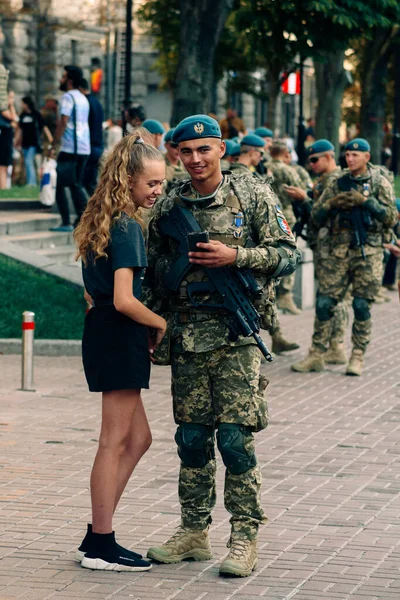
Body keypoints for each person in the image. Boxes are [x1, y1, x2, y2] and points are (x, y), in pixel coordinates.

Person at [144, 114, 300, 577]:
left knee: (234, 440)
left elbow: (288, 254)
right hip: (188, 336)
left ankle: (244, 537)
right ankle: (193, 532)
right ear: (176, 153)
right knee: (192, 440)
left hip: (236, 335)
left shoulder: (249, 192)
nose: (195, 159)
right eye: (186, 152)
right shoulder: (169, 202)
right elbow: (152, 267)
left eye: (204, 150)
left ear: (221, 150)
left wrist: (237, 256)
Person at [73, 129, 167, 572]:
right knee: (113, 442)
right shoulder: (127, 226)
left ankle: (97, 531)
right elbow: (127, 299)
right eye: (152, 183)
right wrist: (161, 322)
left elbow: (92, 294)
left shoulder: (102, 218)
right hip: (119, 329)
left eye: (162, 183)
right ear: (127, 180)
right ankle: (101, 543)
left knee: (139, 439)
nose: (158, 190)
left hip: (105, 329)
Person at [292, 138, 397, 377]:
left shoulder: (379, 182)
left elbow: (391, 217)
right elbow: (316, 217)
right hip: (338, 252)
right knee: (324, 303)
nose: (350, 159)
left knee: (361, 304)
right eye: (347, 155)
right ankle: (317, 353)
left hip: (367, 252)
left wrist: (366, 203)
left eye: (355, 155)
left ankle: (357, 355)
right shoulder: (338, 182)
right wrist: (332, 203)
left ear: (367, 157)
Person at [231, 134, 300, 354]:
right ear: (253, 152)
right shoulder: (249, 179)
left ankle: (274, 337)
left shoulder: (235, 174)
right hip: (249, 247)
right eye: (260, 154)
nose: (262, 158)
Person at [288, 140, 350, 369]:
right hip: (326, 245)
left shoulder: (335, 179)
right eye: (309, 160)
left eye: (315, 159)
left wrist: (304, 199)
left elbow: (320, 213)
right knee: (334, 298)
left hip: (333, 248)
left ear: (329, 157)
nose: (311, 164)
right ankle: (336, 347)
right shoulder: (327, 180)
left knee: (328, 299)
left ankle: (324, 351)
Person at [50, 65, 90, 231]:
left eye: (63, 76)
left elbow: (64, 121)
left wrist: (54, 142)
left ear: (70, 80)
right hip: (83, 148)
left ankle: (67, 221)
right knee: (76, 184)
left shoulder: (67, 97)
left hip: (69, 148)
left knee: (59, 184)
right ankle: (82, 220)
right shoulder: (83, 98)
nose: (61, 80)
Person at [268, 140, 303, 315]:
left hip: (267, 217)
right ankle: (286, 296)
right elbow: (300, 190)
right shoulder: (287, 170)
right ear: (285, 153)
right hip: (286, 216)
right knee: (289, 254)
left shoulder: (264, 166)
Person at [16, 96, 53, 186]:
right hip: (25, 143)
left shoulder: (36, 115)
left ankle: (32, 182)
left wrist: (51, 139)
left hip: (34, 143)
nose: (21, 105)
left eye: (22, 103)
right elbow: (20, 129)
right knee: (27, 162)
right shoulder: (22, 115)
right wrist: (16, 141)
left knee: (30, 162)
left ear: (26, 104)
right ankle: (31, 181)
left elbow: (44, 127)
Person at [79, 78, 104, 197]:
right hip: (98, 145)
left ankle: (97, 210)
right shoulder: (97, 102)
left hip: (89, 146)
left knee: (83, 182)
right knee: (91, 182)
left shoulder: (85, 103)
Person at [0, 90, 18, 189]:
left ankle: (4, 186)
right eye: (10, 97)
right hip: (3, 138)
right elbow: (13, 117)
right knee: (2, 165)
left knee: (6, 164)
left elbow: (15, 121)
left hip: (7, 138)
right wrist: (10, 105)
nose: (12, 100)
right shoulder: (2, 108)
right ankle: (2, 186)